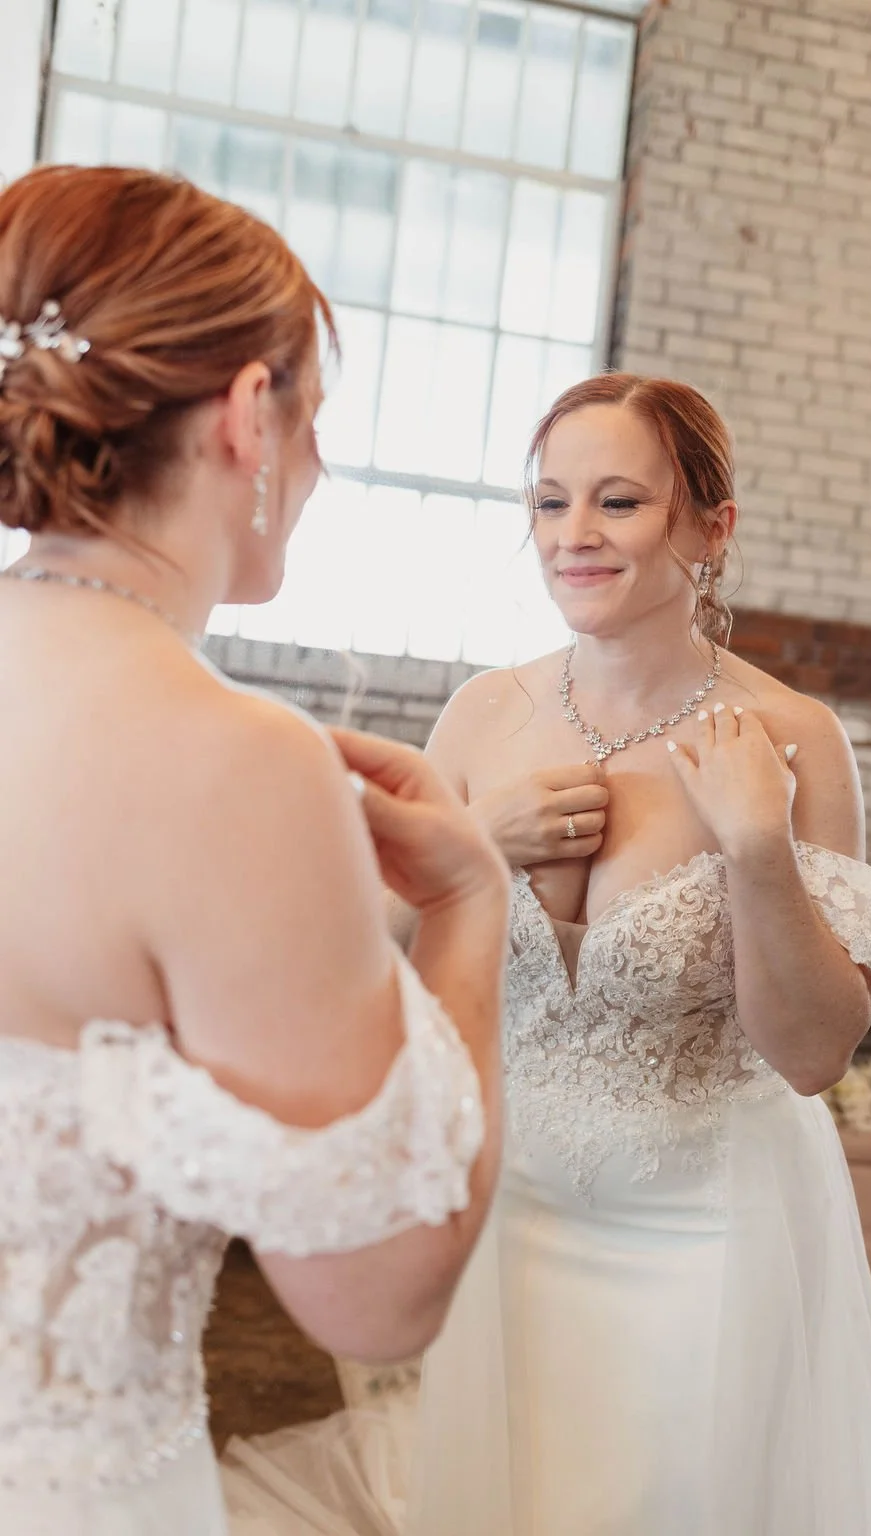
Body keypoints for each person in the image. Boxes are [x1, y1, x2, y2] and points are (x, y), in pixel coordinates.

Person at [223, 373, 871, 1535]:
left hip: (710, 1232)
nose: (573, 537)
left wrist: (756, 847)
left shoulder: (795, 739)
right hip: (513, 1219)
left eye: (618, 502)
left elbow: (811, 1054)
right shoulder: (480, 717)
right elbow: (374, 978)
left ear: (711, 528)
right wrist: (469, 852)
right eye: (549, 504)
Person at [0, 163, 507, 1536]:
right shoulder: (228, 761)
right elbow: (381, 1294)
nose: (321, 461)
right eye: (319, 417)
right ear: (249, 414)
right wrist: (469, 908)